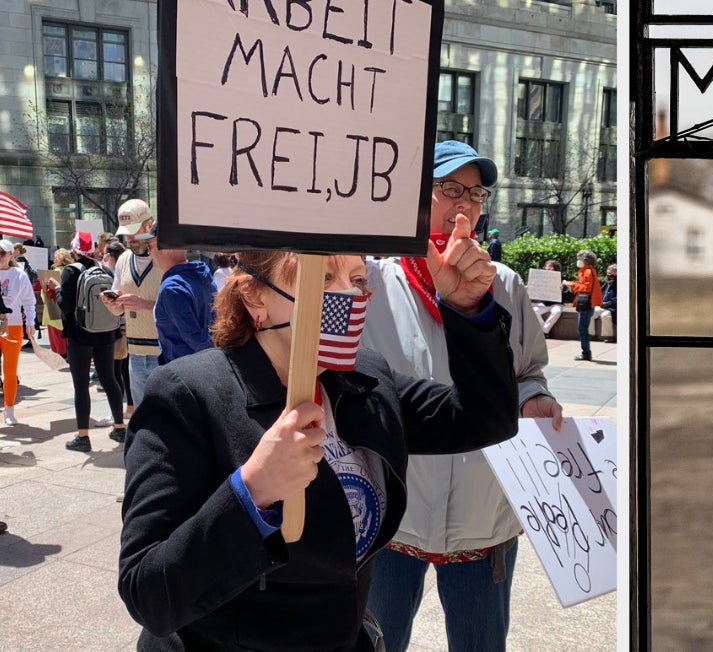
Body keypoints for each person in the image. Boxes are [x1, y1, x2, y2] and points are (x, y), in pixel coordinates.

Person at [117, 234, 518, 651]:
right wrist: (252, 491)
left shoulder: (366, 378)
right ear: (255, 296)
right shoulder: (188, 394)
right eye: (323, 279)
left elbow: (485, 419)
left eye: (359, 280)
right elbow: (148, 591)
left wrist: (468, 307)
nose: (349, 294)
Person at [363, 140, 564, 652]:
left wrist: (533, 397)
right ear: (414, 197)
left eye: (475, 194)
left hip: (483, 517)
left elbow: (528, 371)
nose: (466, 204)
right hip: (393, 520)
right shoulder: (371, 285)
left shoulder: (505, 286)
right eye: (451, 189)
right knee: (375, 643)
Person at [49, 232, 125, 451]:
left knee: (81, 384)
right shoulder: (104, 269)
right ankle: (119, 428)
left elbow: (65, 304)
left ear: (75, 249)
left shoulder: (71, 271)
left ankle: (83, 436)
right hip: (106, 332)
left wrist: (56, 289)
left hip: (79, 334)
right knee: (110, 378)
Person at [102, 199, 162, 415]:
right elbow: (119, 309)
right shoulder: (123, 260)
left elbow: (178, 308)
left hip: (163, 352)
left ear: (149, 225)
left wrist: (146, 305)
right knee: (142, 417)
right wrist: (113, 303)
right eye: (126, 233)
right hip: (135, 352)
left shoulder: (166, 257)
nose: (129, 238)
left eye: (133, 232)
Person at [141, 223, 215, 363]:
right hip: (206, 369)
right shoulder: (203, 275)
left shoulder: (172, 288)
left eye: (150, 246)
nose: (149, 252)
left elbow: (197, 341)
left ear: (167, 247)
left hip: (183, 373)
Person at [0, 241, 37, 426]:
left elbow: (29, 301)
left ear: (10, 255)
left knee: (10, 370)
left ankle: (9, 408)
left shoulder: (19, 275)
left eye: (2, 253)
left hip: (12, 325)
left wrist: (30, 322)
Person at [104, 242, 134, 419]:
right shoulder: (121, 271)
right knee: (124, 370)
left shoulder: (117, 272)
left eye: (107, 255)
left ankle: (119, 413)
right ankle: (129, 407)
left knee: (117, 370)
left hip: (118, 328)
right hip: (126, 326)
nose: (104, 258)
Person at [564, 249, 603, 362]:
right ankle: (585, 352)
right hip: (586, 303)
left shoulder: (587, 272)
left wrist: (570, 284)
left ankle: (586, 353)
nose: (578, 261)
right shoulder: (587, 271)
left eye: (579, 258)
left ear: (585, 260)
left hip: (586, 304)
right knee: (582, 329)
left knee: (582, 329)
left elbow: (585, 288)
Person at [43, 248, 73, 357]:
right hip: (66, 306)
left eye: (56, 257)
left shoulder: (55, 272)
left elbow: (44, 293)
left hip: (53, 306)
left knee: (56, 333)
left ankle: (62, 353)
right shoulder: (71, 271)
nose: (54, 259)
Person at [532, 259, 566, 334]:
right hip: (545, 303)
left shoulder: (561, 279)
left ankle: (544, 331)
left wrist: (563, 288)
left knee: (556, 312)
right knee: (534, 311)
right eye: (547, 267)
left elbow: (567, 292)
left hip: (557, 303)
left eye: (551, 267)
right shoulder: (541, 279)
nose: (548, 269)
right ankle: (543, 329)